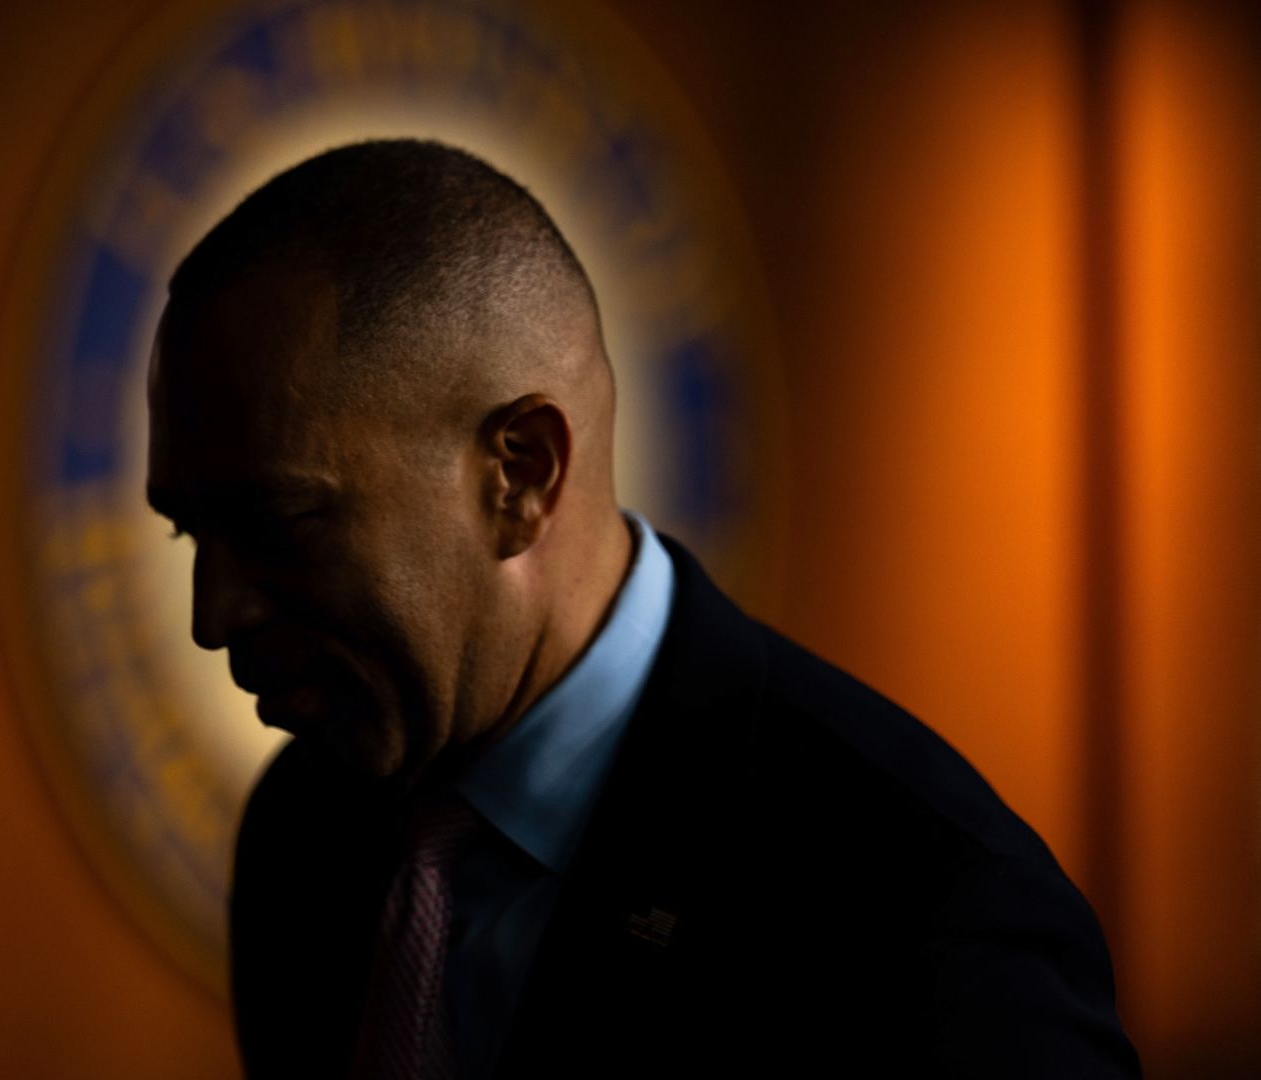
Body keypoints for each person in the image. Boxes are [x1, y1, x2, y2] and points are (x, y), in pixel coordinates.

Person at [143, 139, 1140, 1079]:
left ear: (519, 473)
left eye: (275, 522)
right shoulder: (304, 833)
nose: (214, 615)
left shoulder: (925, 910)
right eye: (192, 533)